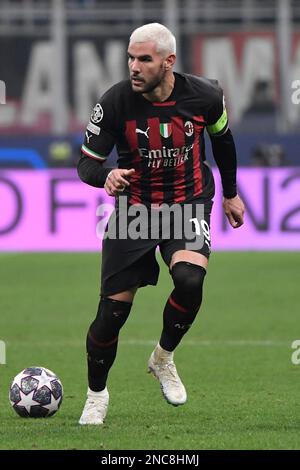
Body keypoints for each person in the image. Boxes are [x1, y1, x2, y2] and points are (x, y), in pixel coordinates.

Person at [77, 23, 245, 425]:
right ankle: (96, 395)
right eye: (131, 58)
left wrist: (230, 192)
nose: (134, 67)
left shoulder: (206, 95)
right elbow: (86, 163)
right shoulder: (115, 102)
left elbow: (223, 141)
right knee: (111, 316)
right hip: (135, 211)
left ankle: (163, 358)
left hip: (188, 203)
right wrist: (107, 177)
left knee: (190, 280)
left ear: (169, 62)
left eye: (144, 59)